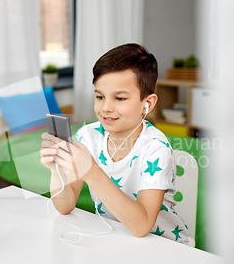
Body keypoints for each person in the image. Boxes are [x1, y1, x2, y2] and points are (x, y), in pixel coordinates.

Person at [40, 43, 194, 246]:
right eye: (99, 96)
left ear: (147, 103)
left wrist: (91, 171)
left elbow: (141, 226)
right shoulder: (88, 136)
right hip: (117, 240)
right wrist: (55, 170)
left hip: (164, 246)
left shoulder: (156, 148)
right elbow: (65, 205)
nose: (106, 108)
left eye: (120, 98)